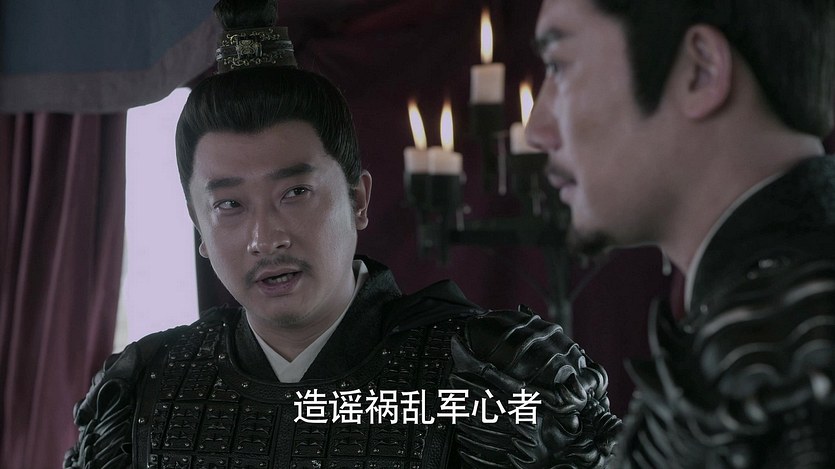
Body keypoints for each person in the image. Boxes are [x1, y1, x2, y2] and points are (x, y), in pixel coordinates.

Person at [64, 1, 620, 468]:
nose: (265, 238)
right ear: (199, 230)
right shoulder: (145, 389)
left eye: (295, 193)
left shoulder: (488, 380)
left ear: (358, 199)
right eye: (229, 205)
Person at [522, 0, 835, 467]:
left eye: (559, 66)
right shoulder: (744, 319)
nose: (536, 130)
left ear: (700, 71)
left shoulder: (795, 355)